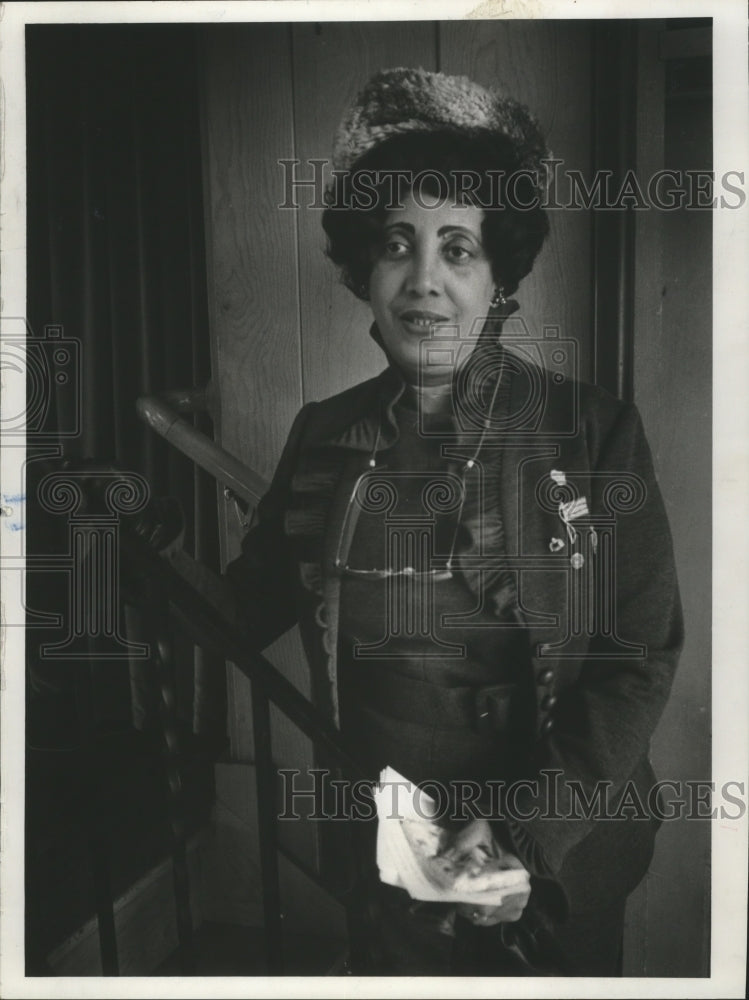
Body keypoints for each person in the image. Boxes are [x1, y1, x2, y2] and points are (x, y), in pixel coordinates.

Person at [149, 67, 683, 976]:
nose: (423, 282)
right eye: (396, 245)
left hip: (555, 857)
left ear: (497, 274)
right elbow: (242, 617)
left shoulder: (594, 433)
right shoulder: (323, 435)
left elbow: (635, 661)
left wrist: (525, 834)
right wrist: (143, 545)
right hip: (388, 857)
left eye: (457, 249)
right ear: (364, 269)